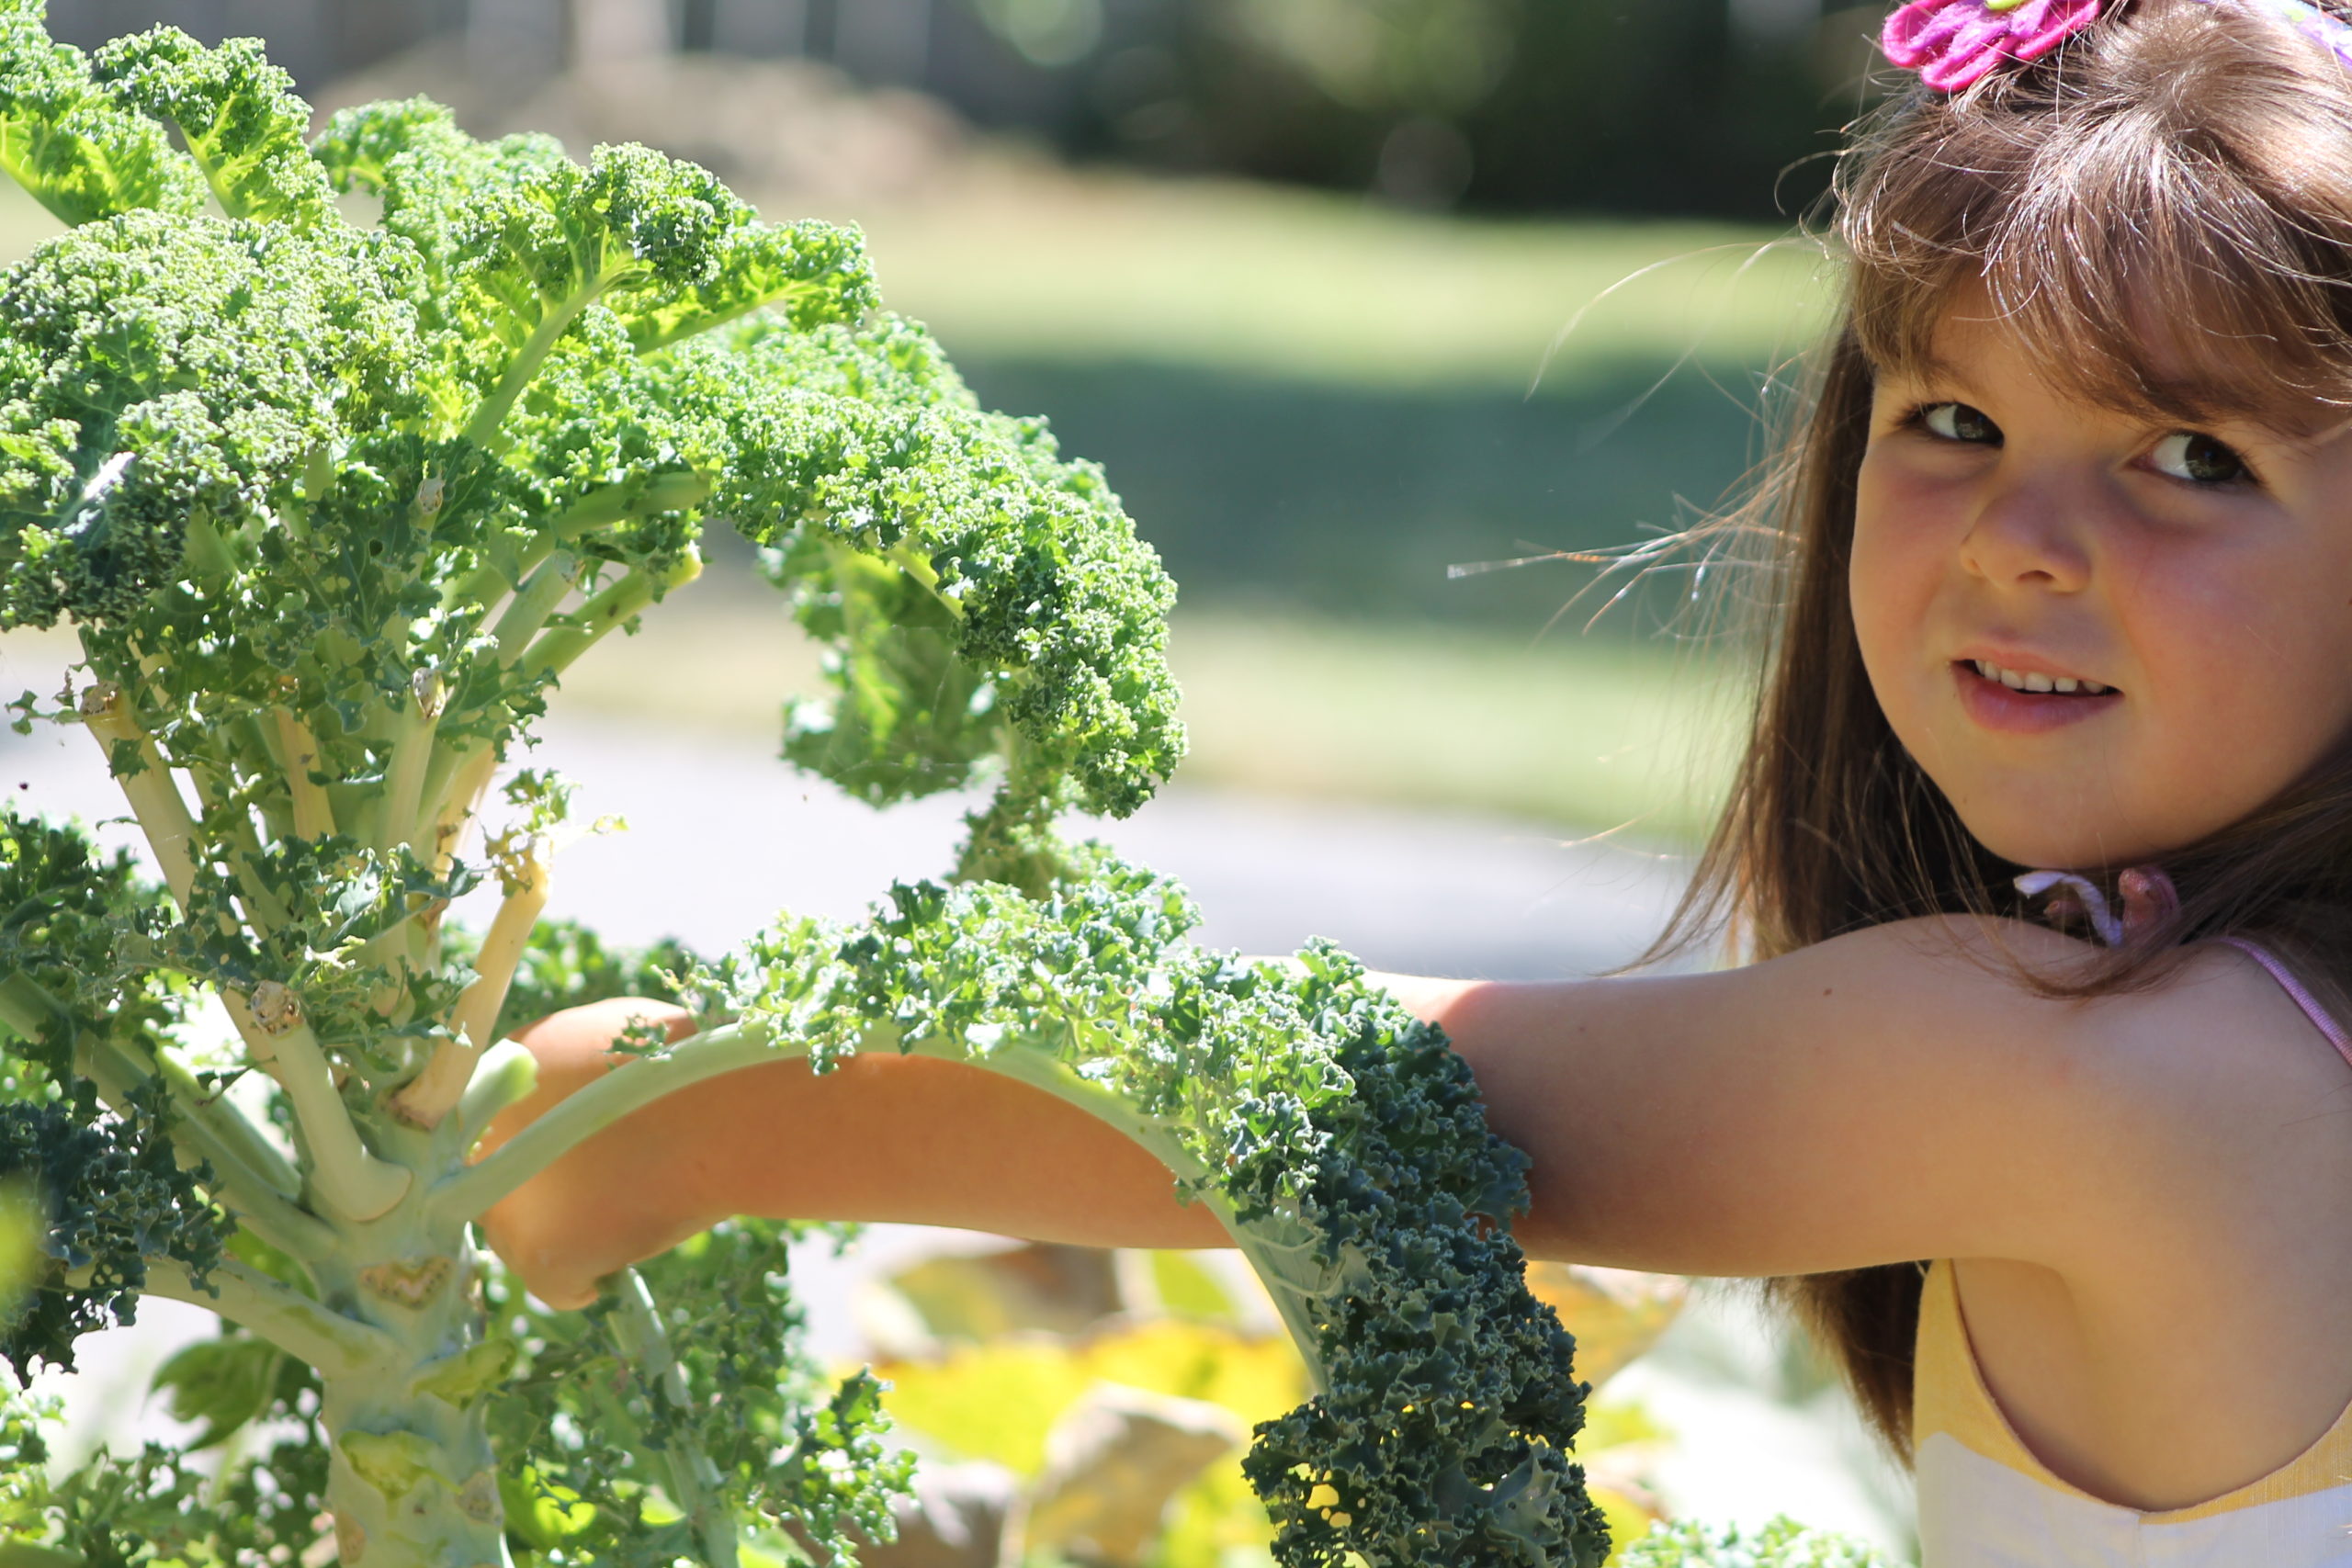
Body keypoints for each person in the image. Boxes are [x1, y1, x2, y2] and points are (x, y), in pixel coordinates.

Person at [478, 0, 2352, 1557]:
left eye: (2186, 458)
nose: (2018, 537)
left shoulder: (2113, 1078)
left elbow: (1338, 1102)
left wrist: (658, 1105)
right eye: (1948, 419)